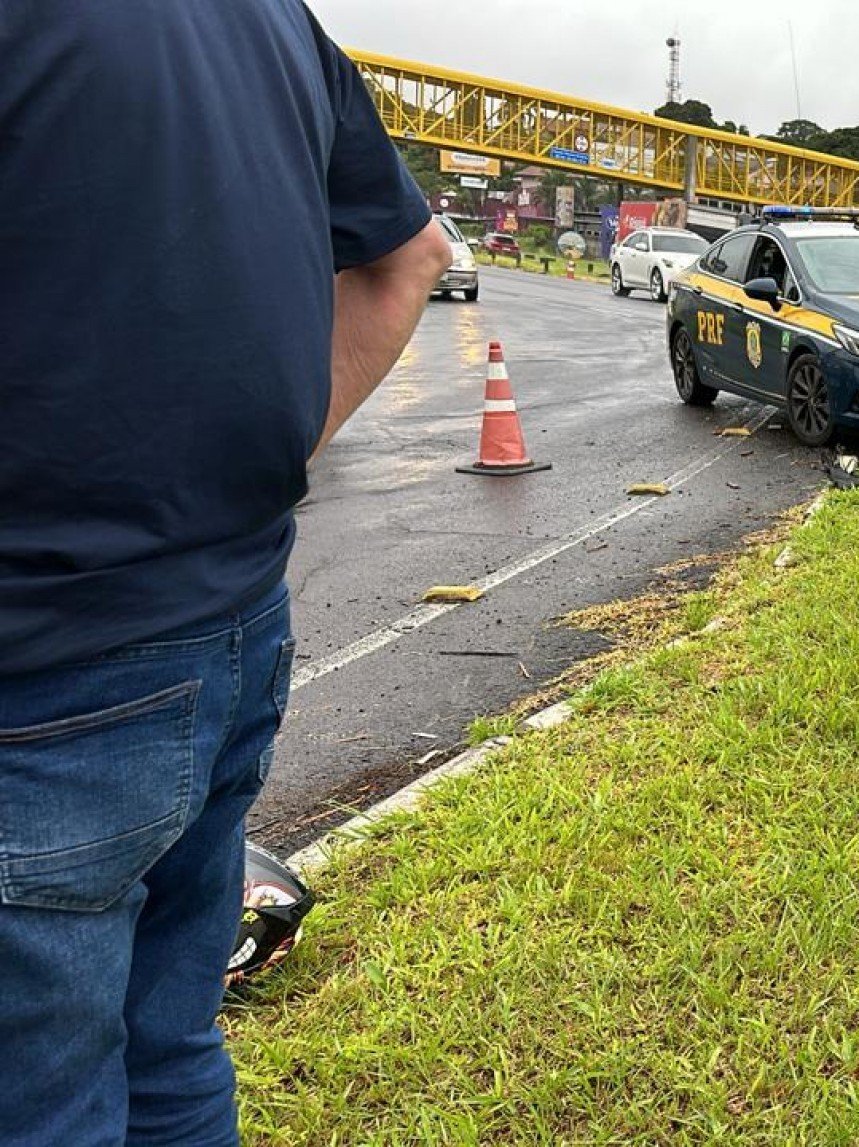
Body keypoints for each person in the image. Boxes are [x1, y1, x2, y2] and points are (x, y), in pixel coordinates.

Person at [0, 3, 449, 1144]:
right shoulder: (266, 20)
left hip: (44, 680)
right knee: (168, 1053)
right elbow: (409, 260)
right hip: (230, 629)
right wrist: (246, 471)